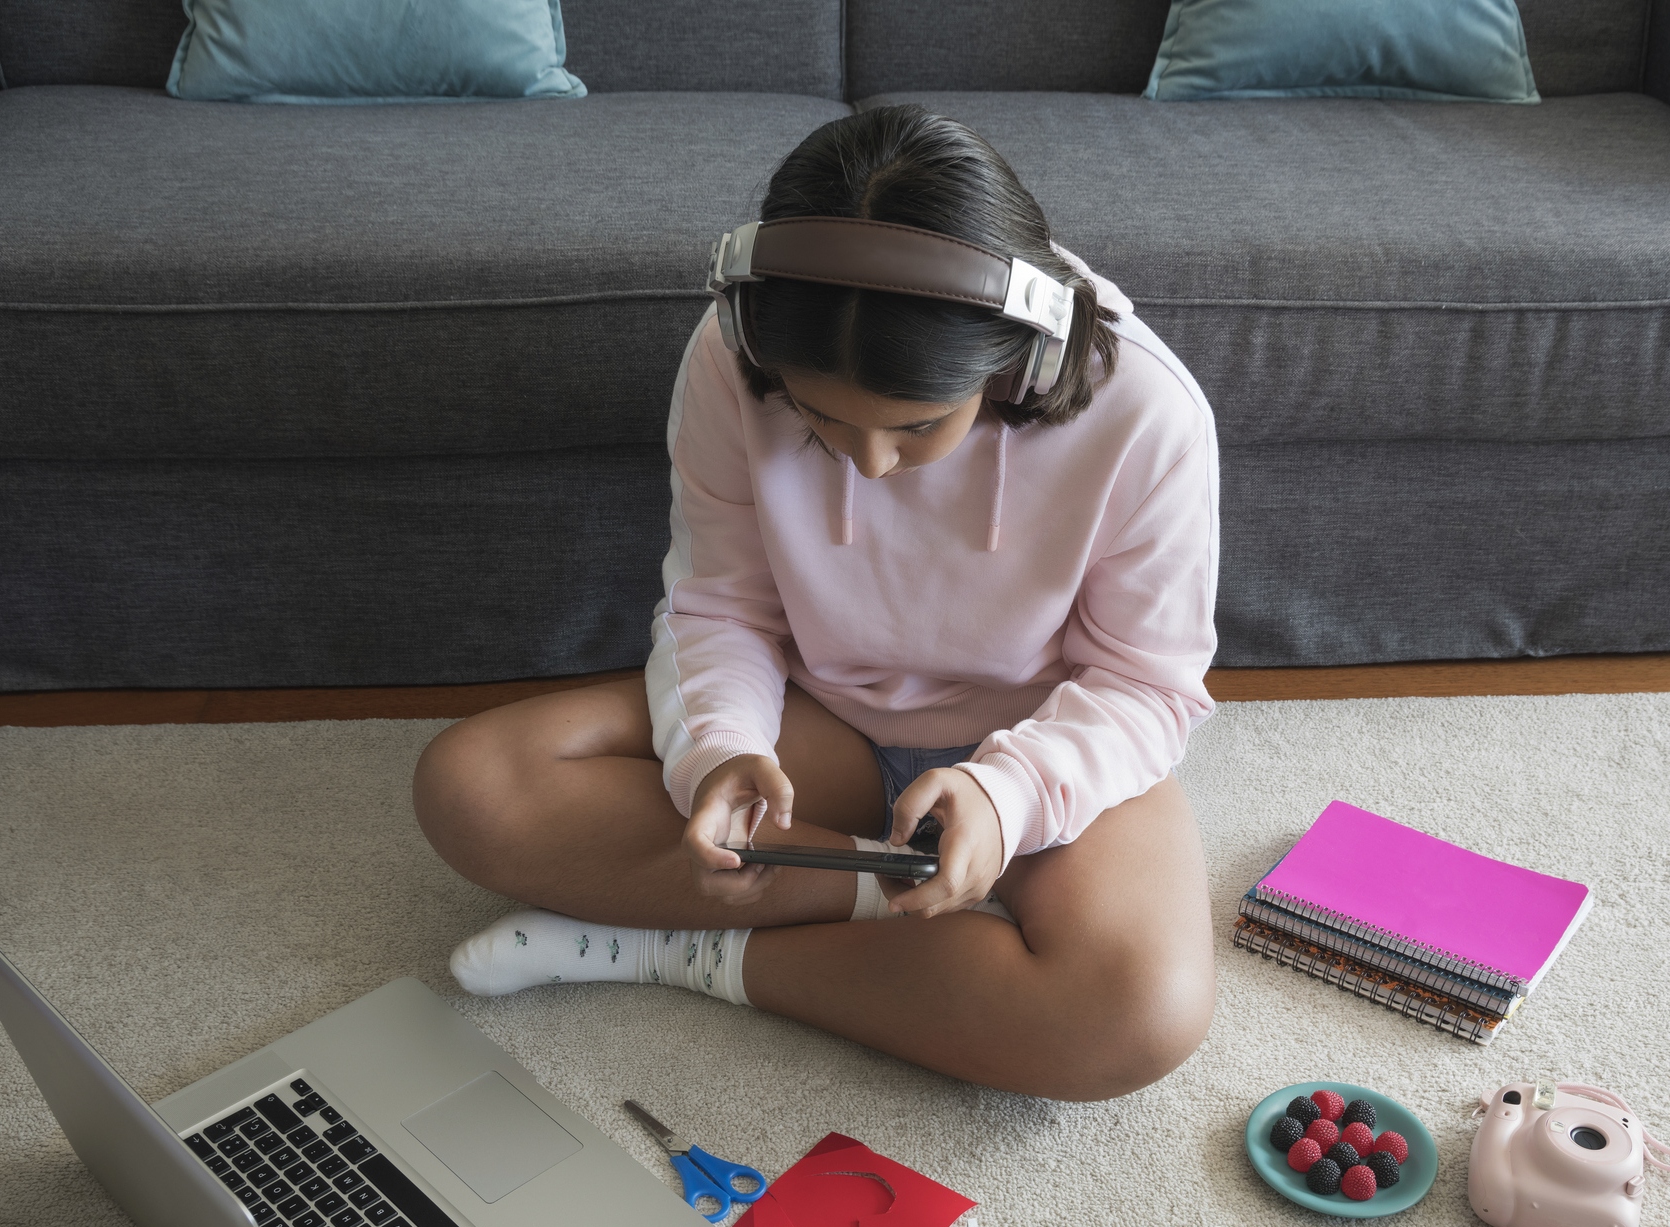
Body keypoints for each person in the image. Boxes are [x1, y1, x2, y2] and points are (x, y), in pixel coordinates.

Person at [412, 106, 1219, 1101]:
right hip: (821, 718)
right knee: (473, 786)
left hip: (1036, 729)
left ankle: (681, 953)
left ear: (1018, 359)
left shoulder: (1147, 412)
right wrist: (722, 752)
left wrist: (1006, 799)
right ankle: (903, 899)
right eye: (818, 418)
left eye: (918, 426)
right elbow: (720, 602)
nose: (869, 464)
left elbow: (1144, 686)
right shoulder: (732, 352)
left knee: (1135, 1011)